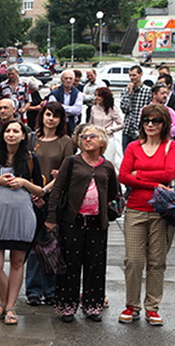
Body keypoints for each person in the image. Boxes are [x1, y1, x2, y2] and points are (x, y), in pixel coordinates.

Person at [45, 125, 119, 323]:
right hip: (72, 222)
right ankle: (67, 306)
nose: (86, 139)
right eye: (83, 136)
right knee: (69, 265)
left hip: (97, 223)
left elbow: (114, 192)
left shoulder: (107, 166)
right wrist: (51, 218)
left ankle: (92, 306)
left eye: (92, 136)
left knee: (95, 265)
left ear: (102, 141)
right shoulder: (71, 162)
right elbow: (57, 190)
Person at [0, 120, 44, 325]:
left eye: (16, 131)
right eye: (8, 131)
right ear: (3, 135)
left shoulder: (31, 159)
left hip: (22, 217)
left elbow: (40, 191)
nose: (11, 134)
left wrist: (24, 183)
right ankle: (6, 302)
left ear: (24, 136)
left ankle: (10, 307)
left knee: (17, 262)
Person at [118, 104, 175, 326]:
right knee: (133, 261)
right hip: (135, 210)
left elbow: (170, 173)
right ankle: (132, 305)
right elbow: (123, 176)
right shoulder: (133, 146)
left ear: (164, 124)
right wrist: (155, 182)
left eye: (156, 121)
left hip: (161, 212)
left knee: (157, 262)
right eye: (146, 121)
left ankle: (152, 307)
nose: (150, 125)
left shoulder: (170, 146)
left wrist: (139, 175)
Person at [25, 102, 74, 307]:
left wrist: (44, 192)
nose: (51, 119)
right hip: (30, 197)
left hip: (54, 198)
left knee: (52, 245)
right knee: (34, 247)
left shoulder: (66, 142)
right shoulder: (31, 139)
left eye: (55, 115)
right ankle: (33, 290)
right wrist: (32, 192)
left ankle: (51, 289)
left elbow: (65, 172)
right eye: (47, 114)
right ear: (42, 116)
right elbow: (23, 166)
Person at [120, 65, 153, 152]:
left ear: (141, 74)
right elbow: (124, 109)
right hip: (128, 128)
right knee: (126, 154)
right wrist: (129, 94)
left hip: (141, 129)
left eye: (134, 75)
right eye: (130, 75)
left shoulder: (148, 91)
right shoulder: (125, 91)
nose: (132, 78)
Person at [89, 87, 124, 167]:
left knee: (108, 161)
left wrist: (109, 130)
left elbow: (121, 124)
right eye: (95, 95)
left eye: (99, 96)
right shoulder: (93, 108)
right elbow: (91, 122)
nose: (96, 98)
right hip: (95, 138)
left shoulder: (112, 109)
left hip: (108, 138)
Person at [48, 69, 83, 134]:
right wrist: (70, 109)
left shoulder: (78, 94)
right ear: (61, 79)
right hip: (56, 125)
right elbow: (53, 109)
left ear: (73, 80)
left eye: (70, 78)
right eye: (66, 78)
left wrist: (61, 107)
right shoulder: (54, 94)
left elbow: (77, 111)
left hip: (71, 126)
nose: (68, 80)